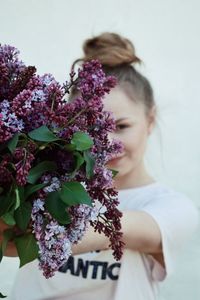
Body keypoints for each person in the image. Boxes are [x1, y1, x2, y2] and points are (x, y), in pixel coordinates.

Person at [6, 32, 199, 300]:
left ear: (150, 120)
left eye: (122, 126)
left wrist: (37, 223)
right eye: (91, 128)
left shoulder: (174, 210)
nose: (108, 143)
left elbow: (121, 229)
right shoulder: (44, 180)